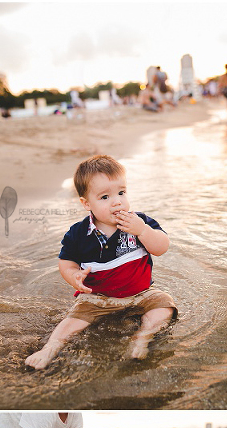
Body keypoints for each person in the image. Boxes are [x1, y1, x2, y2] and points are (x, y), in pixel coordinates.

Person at [24, 155, 177, 370]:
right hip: (98, 298)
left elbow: (161, 247)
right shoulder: (78, 233)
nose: (117, 201)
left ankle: (142, 338)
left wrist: (142, 230)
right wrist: (74, 276)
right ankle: (50, 349)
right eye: (105, 197)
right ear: (87, 203)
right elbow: (66, 261)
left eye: (121, 193)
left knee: (164, 305)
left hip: (141, 294)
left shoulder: (140, 222)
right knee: (72, 321)